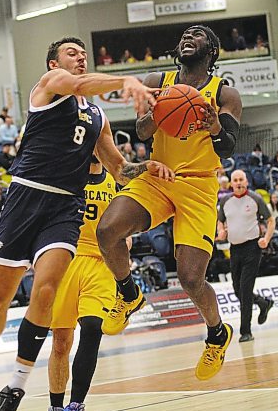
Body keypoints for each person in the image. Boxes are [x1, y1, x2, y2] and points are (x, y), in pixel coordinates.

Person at [0, 36, 171, 411]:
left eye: (83, 54)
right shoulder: (50, 85)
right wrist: (126, 81)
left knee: (45, 291)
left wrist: (147, 167)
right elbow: (79, 85)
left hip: (65, 206)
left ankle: (17, 385)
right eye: (72, 53)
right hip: (25, 197)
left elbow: (119, 169)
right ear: (54, 64)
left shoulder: (97, 117)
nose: (80, 58)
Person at [97, 24, 242, 381]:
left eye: (198, 34)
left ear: (212, 49)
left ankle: (217, 334)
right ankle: (129, 294)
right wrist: (156, 111)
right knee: (107, 230)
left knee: (191, 279)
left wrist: (214, 128)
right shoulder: (157, 78)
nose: (188, 37)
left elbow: (228, 147)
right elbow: (143, 132)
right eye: (185, 34)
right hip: (159, 175)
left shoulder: (225, 93)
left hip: (199, 185)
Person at [48, 156, 127, 411]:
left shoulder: (116, 181)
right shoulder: (67, 176)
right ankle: (56, 407)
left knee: (93, 327)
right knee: (61, 340)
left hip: (101, 262)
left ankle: (76, 404)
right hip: (67, 259)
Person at [217, 169, 275, 342]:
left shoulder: (255, 198)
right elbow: (220, 220)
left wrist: (266, 239)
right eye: (235, 180)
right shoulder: (225, 200)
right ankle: (263, 303)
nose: (238, 182)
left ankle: (246, 331)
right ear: (231, 183)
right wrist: (221, 231)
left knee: (245, 289)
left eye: (241, 179)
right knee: (237, 289)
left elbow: (270, 220)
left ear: (246, 181)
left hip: (252, 248)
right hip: (235, 248)